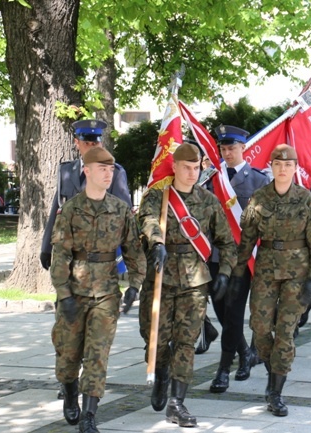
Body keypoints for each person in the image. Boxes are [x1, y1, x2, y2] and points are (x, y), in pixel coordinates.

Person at [137, 142, 236, 427]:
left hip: (194, 279)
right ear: (176, 167)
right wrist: (156, 243)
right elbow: (147, 220)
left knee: (186, 342)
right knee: (155, 337)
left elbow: (227, 242)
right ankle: (161, 372)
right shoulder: (157, 196)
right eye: (187, 168)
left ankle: (177, 402)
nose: (192, 173)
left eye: (196, 168)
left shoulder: (208, 201)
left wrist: (225, 273)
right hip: (161, 275)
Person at [50, 147, 146, 433]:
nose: (108, 174)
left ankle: (90, 415)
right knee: (67, 356)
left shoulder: (119, 209)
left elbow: (133, 250)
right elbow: (61, 254)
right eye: (102, 169)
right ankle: (69, 394)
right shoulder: (70, 209)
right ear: (87, 171)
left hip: (106, 292)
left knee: (97, 354)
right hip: (74, 291)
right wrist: (64, 294)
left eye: (111, 169)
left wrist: (134, 286)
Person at [228, 144, 311, 416]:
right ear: (271, 166)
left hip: (297, 274)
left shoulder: (306, 199)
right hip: (266, 272)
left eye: (288, 165)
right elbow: (247, 240)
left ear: (295, 168)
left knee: (285, 332)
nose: (283, 169)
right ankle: (275, 370)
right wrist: (237, 275)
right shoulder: (258, 198)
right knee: (259, 328)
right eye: (278, 164)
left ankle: (275, 391)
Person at [203, 125, 269, 393]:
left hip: (242, 259)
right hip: (216, 256)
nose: (227, 152)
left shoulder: (258, 181)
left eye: (232, 148)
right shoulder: (211, 179)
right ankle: (244, 352)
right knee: (221, 312)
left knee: (233, 314)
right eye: (223, 148)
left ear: (244, 148)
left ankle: (223, 371)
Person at [41, 119, 132, 271]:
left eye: (95, 144)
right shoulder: (66, 171)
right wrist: (46, 248)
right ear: (77, 143)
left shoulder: (114, 173)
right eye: (86, 144)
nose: (91, 148)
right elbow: (56, 210)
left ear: (101, 144)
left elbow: (126, 217)